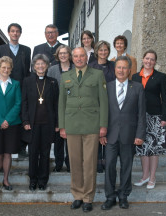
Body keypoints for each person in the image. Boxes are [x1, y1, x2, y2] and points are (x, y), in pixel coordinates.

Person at [59, 47, 108, 212]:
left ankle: (88, 197)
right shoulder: (65, 76)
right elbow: (61, 103)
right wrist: (62, 126)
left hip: (91, 125)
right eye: (76, 56)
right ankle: (77, 195)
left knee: (89, 163)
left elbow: (103, 101)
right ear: (72, 58)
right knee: (74, 162)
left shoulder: (97, 74)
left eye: (82, 56)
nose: (79, 59)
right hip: (72, 125)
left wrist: (103, 125)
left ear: (87, 57)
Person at [100, 55, 146, 211]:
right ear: (115, 70)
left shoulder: (138, 87)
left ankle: (123, 196)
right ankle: (110, 197)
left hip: (129, 135)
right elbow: (103, 112)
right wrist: (102, 132)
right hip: (110, 134)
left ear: (129, 70)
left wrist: (140, 135)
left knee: (127, 166)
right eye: (118, 67)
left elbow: (141, 113)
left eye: (124, 68)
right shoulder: (107, 86)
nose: (121, 70)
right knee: (110, 166)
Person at [132, 49, 166, 189]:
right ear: (143, 59)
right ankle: (144, 176)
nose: (149, 61)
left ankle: (152, 178)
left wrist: (164, 117)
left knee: (154, 149)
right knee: (142, 148)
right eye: (147, 58)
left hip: (155, 117)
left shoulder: (160, 77)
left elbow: (165, 99)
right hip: (139, 117)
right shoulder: (135, 77)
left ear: (155, 62)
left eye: (152, 59)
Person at [21, 54, 59, 191]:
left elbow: (56, 104)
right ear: (34, 66)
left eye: (43, 64)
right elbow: (24, 102)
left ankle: (43, 180)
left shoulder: (53, 82)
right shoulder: (27, 81)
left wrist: (57, 123)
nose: (40, 66)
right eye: (38, 64)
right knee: (33, 153)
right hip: (32, 124)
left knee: (45, 153)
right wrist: (25, 120)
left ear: (47, 66)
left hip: (48, 124)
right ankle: (32, 180)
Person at [0, 23, 31, 158]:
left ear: (20, 33)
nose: (15, 33)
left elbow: (27, 70)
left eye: (17, 31)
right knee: (5, 113)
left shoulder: (26, 50)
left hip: (22, 87)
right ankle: (3, 146)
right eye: (12, 31)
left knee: (22, 115)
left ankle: (22, 146)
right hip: (6, 87)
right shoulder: (0, 49)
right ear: (8, 33)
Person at [0, 56, 22, 191]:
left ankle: (6, 179)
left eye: (8, 67)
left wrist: (7, 120)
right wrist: (1, 121)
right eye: (3, 67)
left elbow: (18, 103)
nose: (5, 70)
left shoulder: (16, 84)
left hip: (12, 124)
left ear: (11, 69)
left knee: (8, 153)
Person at [88, 40, 115, 173]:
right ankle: (98, 161)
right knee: (97, 132)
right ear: (96, 51)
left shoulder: (113, 65)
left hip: (111, 102)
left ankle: (107, 160)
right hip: (95, 103)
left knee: (109, 132)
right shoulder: (91, 66)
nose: (103, 52)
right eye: (101, 50)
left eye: (106, 50)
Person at [47, 45, 74, 172]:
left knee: (71, 138)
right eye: (60, 53)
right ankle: (58, 163)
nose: (63, 55)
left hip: (73, 107)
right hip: (56, 107)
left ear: (69, 54)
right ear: (57, 55)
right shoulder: (52, 70)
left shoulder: (76, 69)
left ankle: (70, 163)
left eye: (65, 53)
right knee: (58, 137)